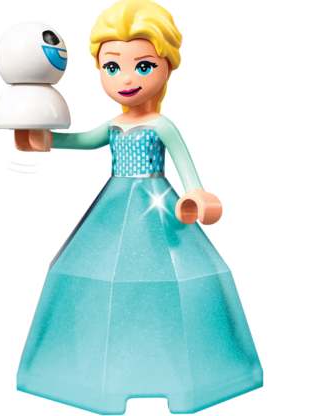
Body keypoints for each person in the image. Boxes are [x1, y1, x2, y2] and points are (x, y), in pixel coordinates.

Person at [14, 0, 263, 413]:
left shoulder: (161, 125)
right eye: (112, 67)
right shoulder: (115, 125)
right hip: (114, 205)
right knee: (98, 273)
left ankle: (171, 358)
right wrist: (43, 139)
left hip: (158, 202)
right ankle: (102, 364)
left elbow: (186, 167)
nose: (126, 79)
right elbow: (84, 140)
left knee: (174, 277)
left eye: (143, 66)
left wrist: (196, 194)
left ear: (166, 67)